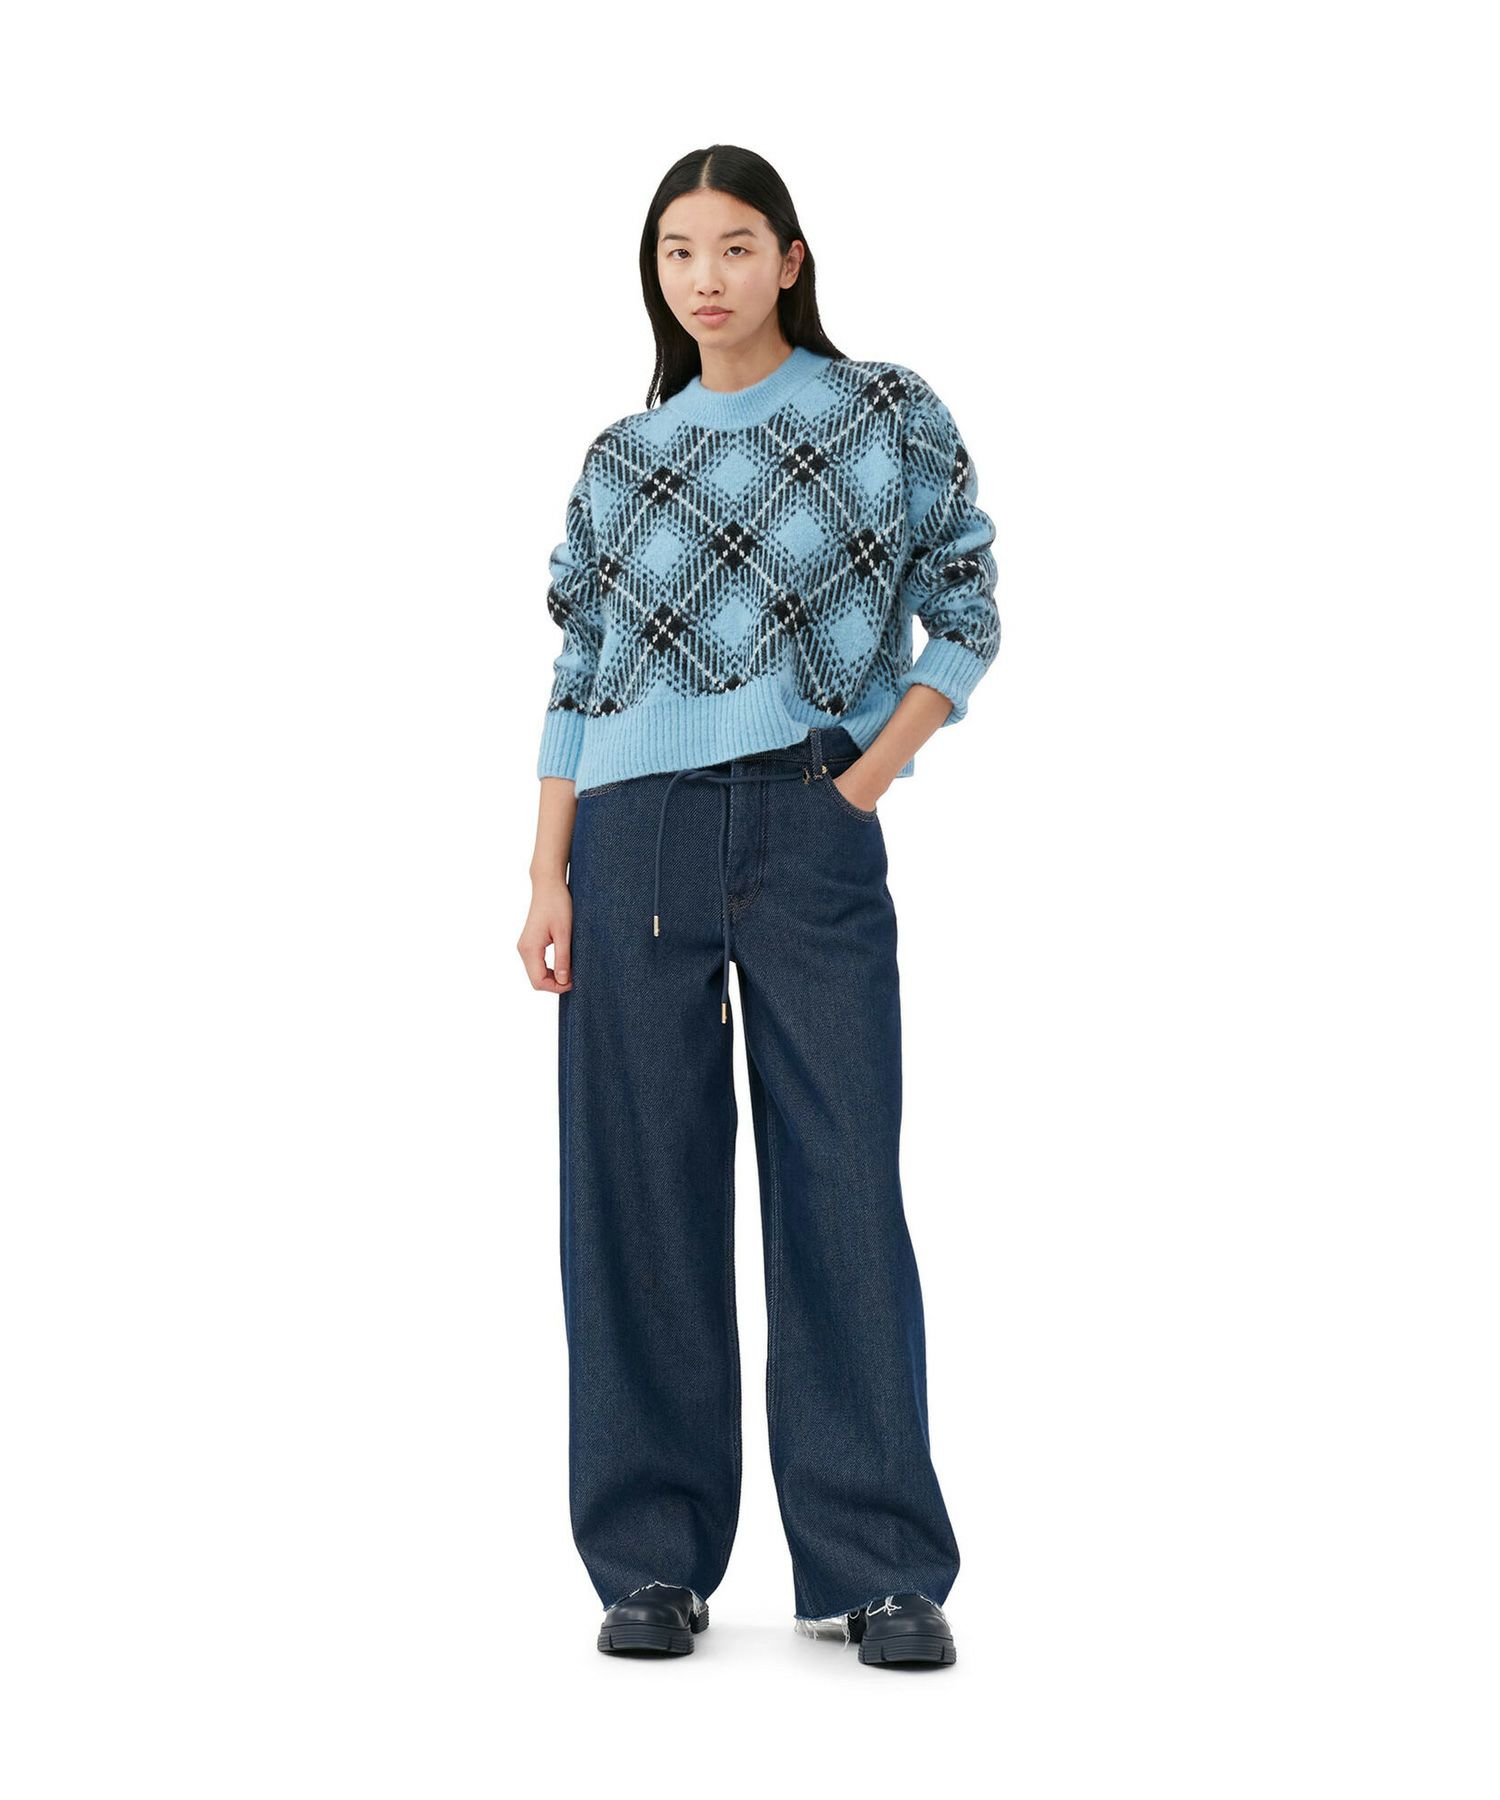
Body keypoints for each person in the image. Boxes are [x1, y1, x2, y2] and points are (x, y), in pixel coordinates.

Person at [518, 144, 1000, 1668]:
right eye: (677, 252)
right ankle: (651, 1561)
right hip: (630, 835)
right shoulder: (623, 457)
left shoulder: (882, 413)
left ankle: (881, 1564)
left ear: (791, 258)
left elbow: (967, 606)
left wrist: (865, 777)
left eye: (734, 246)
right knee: (636, 1192)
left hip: (808, 817)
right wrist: (545, 871)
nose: (705, 277)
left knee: (841, 1176)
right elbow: (579, 668)